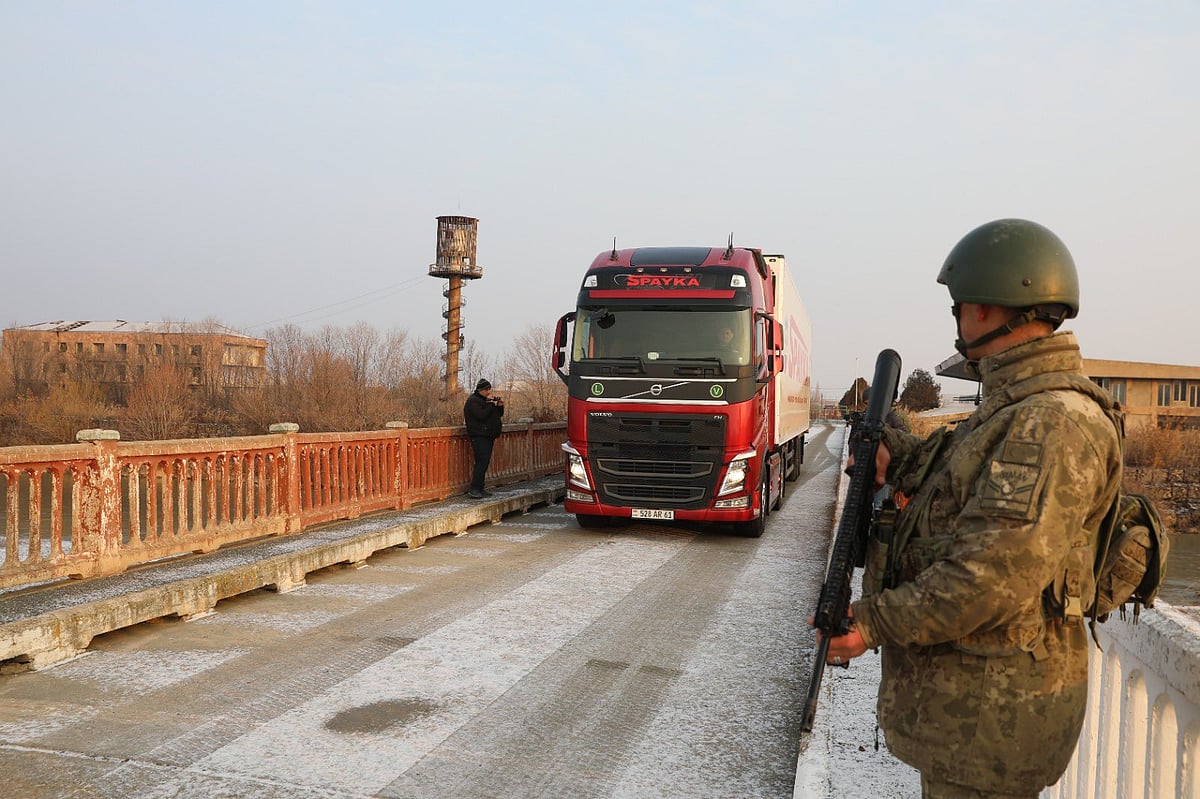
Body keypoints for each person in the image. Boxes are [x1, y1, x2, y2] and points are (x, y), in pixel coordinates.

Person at [823, 219, 1123, 798]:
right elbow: (958, 486)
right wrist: (897, 456)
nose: (957, 319)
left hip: (992, 723)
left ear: (986, 308)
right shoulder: (1016, 408)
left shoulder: (1050, 420)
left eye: (959, 306)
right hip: (974, 713)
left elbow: (991, 578)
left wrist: (872, 622)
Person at [463, 378, 504, 499]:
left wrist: (500, 406)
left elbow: (497, 414)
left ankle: (480, 487)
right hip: (479, 436)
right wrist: (491, 403)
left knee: (484, 463)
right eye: (487, 389)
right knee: (481, 462)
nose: (489, 392)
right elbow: (482, 415)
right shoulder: (473, 401)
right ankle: (474, 488)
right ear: (480, 390)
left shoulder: (483, 401)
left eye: (489, 389)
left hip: (487, 435)